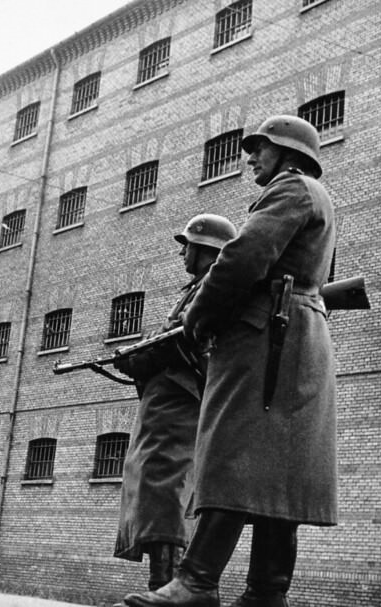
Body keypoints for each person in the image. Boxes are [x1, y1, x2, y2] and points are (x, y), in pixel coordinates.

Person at [122, 115, 337, 607]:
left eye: (262, 147)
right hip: (295, 338)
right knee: (277, 478)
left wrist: (198, 317)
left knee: (232, 458)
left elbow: (242, 258)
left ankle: (197, 582)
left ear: (289, 154)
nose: (251, 156)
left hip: (268, 342)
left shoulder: (293, 190)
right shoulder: (319, 198)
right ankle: (265, 593)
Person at [111, 214, 237, 603]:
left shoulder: (213, 291)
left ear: (207, 252)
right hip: (163, 405)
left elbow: (188, 341)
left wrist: (142, 353)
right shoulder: (196, 289)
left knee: (164, 492)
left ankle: (167, 589)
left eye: (189, 245)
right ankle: (162, 587)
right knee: (150, 489)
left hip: (181, 405)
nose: (183, 252)